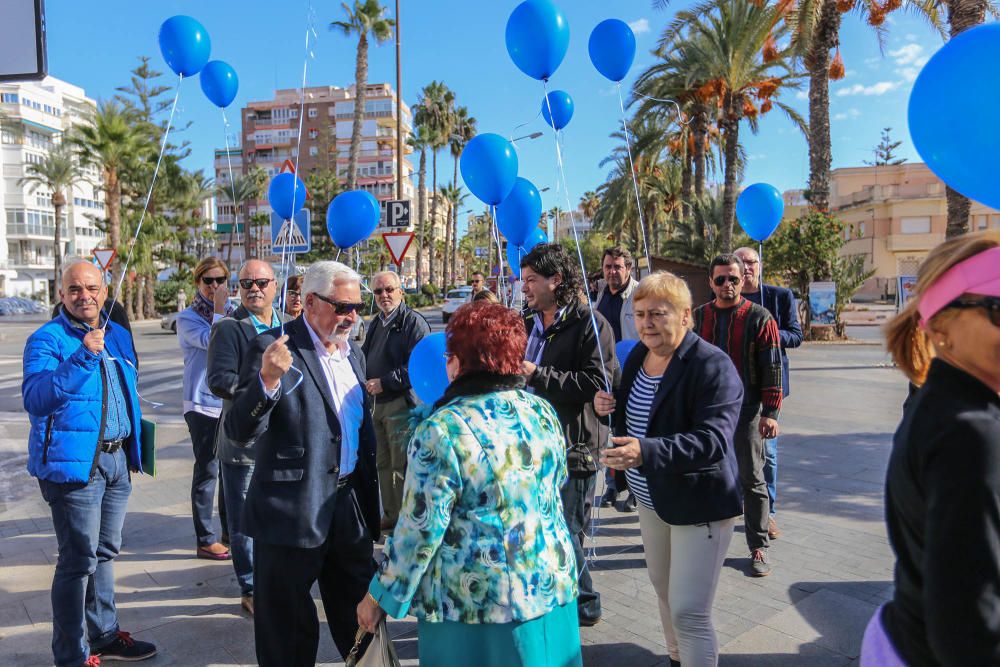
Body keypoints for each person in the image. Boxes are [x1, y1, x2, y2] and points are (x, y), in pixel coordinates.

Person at [356, 301, 582, 666]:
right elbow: (556, 485)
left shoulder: (443, 429)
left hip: (476, 608)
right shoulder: (541, 410)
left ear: (460, 361)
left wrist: (379, 595)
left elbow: (419, 529)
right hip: (550, 587)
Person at [224, 261, 379, 666]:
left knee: (361, 622)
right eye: (343, 307)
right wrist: (267, 382)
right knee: (287, 631)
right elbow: (238, 428)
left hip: (347, 508)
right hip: (290, 511)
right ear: (310, 302)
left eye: (357, 307)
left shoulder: (354, 355)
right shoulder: (273, 347)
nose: (351, 317)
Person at [862, 231, 1000, 666]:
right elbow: (967, 633)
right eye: (998, 309)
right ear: (940, 327)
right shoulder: (970, 433)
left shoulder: (936, 405)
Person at [595, 272, 743, 666]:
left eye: (658, 314)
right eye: (640, 314)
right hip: (652, 500)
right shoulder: (640, 357)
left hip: (699, 504)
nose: (647, 323)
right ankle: (678, 659)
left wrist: (644, 451)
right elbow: (641, 419)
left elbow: (712, 441)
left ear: (685, 316)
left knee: (689, 610)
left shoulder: (712, 366)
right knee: (664, 591)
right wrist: (608, 409)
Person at [24, 258, 157, 666]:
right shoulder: (47, 339)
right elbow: (37, 398)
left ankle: (102, 634)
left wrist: (135, 446)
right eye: (75, 290)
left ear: (104, 291)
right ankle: (71, 654)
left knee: (104, 554)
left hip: (117, 462)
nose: (85, 296)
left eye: (92, 288)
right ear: (61, 295)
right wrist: (82, 355)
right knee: (77, 561)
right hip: (75, 468)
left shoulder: (115, 333)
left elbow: (126, 390)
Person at [520, 242, 616, 627]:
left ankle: (585, 605)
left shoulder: (590, 324)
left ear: (555, 280)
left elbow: (598, 381)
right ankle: (563, 596)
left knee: (567, 530)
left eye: (530, 280)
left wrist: (536, 374)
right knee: (546, 527)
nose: (523, 287)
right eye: (522, 280)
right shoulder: (528, 321)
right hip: (532, 443)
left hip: (574, 446)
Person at [693, 254, 782, 577]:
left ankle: (758, 546)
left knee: (752, 478)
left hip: (747, 411)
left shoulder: (760, 318)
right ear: (711, 283)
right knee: (706, 477)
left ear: (743, 280)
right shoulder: (699, 317)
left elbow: (772, 367)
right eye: (720, 279)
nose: (727, 285)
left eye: (733, 278)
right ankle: (704, 545)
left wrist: (770, 412)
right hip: (707, 412)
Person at [206, 259, 287, 616]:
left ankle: (274, 580)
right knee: (243, 523)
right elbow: (218, 381)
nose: (254, 288)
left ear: (275, 285)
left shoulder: (287, 325)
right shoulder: (228, 328)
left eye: (261, 282)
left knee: (276, 515)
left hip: (282, 440)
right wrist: (263, 386)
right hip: (242, 443)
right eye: (246, 283)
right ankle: (251, 587)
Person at [734, 246, 802, 540]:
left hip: (769, 386)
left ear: (760, 265)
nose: (746, 267)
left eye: (751, 262)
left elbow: (796, 336)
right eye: (741, 263)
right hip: (735, 389)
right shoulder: (726, 297)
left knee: (768, 454)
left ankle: (768, 513)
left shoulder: (780, 296)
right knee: (733, 451)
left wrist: (769, 333)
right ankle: (740, 503)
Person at [361, 270, 430, 532]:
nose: (384, 295)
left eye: (389, 289)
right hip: (376, 404)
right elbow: (365, 357)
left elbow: (416, 365)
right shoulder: (377, 323)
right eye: (378, 291)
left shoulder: (413, 322)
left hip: (401, 403)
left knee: (402, 465)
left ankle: (406, 519)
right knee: (383, 464)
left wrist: (384, 382)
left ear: (401, 291)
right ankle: (390, 514)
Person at [176, 257, 232, 561]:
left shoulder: (233, 313)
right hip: (201, 404)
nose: (214, 287)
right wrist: (221, 311)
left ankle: (229, 531)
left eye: (220, 280)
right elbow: (215, 341)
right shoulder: (188, 318)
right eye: (208, 281)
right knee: (208, 469)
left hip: (229, 402)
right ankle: (205, 538)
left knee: (230, 470)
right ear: (197, 283)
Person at [594, 246, 640, 512]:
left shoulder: (639, 294)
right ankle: (613, 484)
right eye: (608, 267)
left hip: (634, 373)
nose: (612, 272)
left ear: (628, 269)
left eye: (618, 267)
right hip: (607, 373)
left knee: (633, 430)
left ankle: (635, 489)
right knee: (612, 430)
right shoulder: (600, 294)